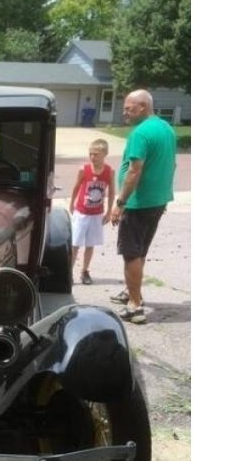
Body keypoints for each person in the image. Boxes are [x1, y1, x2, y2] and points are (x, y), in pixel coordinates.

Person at [108, 90, 177, 324]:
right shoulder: (167, 129)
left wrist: (120, 203)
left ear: (143, 107)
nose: (124, 112)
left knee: (131, 253)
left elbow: (134, 171)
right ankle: (131, 291)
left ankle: (135, 306)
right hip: (158, 201)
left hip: (138, 203)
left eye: (129, 108)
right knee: (140, 251)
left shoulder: (140, 133)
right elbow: (172, 164)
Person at [69, 139, 114, 285]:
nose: (92, 157)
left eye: (96, 154)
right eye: (91, 154)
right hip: (82, 212)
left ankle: (85, 270)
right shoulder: (84, 169)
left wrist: (108, 212)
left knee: (90, 243)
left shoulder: (109, 171)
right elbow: (76, 187)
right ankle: (68, 272)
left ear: (104, 154)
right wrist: (72, 204)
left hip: (96, 213)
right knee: (75, 243)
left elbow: (112, 192)